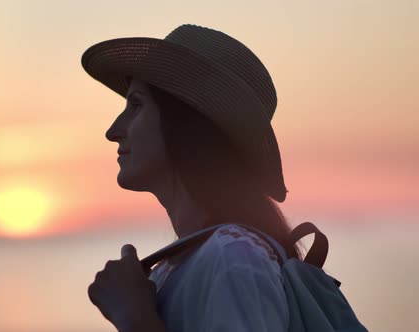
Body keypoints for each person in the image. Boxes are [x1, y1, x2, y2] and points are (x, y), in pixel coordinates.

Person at [83, 24, 305, 332]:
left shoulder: (233, 258)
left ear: (185, 122)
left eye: (136, 105)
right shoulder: (178, 270)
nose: (113, 131)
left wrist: (136, 321)